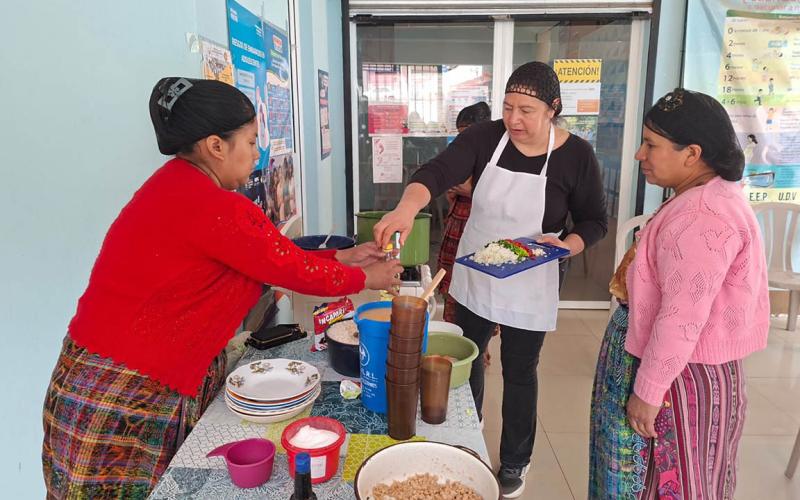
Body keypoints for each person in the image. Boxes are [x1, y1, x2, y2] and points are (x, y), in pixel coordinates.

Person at [41, 77, 402, 498]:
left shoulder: (174, 186)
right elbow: (288, 268)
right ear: (216, 145)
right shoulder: (213, 206)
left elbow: (268, 258)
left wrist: (343, 257)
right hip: (125, 392)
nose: (257, 154)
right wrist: (365, 278)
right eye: (250, 142)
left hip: (88, 373)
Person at [375, 61, 608, 498]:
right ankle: (472, 425)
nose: (514, 120)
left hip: (531, 276)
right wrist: (406, 208)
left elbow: (596, 220)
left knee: (521, 370)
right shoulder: (484, 137)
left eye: (527, 110)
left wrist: (567, 246)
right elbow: (436, 173)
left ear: (553, 109)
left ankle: (516, 459)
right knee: (470, 352)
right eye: (508, 107)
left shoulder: (577, 156)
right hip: (477, 267)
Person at [589, 89, 770, 499]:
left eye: (651, 145)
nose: (639, 154)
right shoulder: (710, 197)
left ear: (692, 153)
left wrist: (648, 392)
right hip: (689, 368)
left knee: (665, 483)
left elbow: (682, 318)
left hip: (679, 379)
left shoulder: (701, 218)